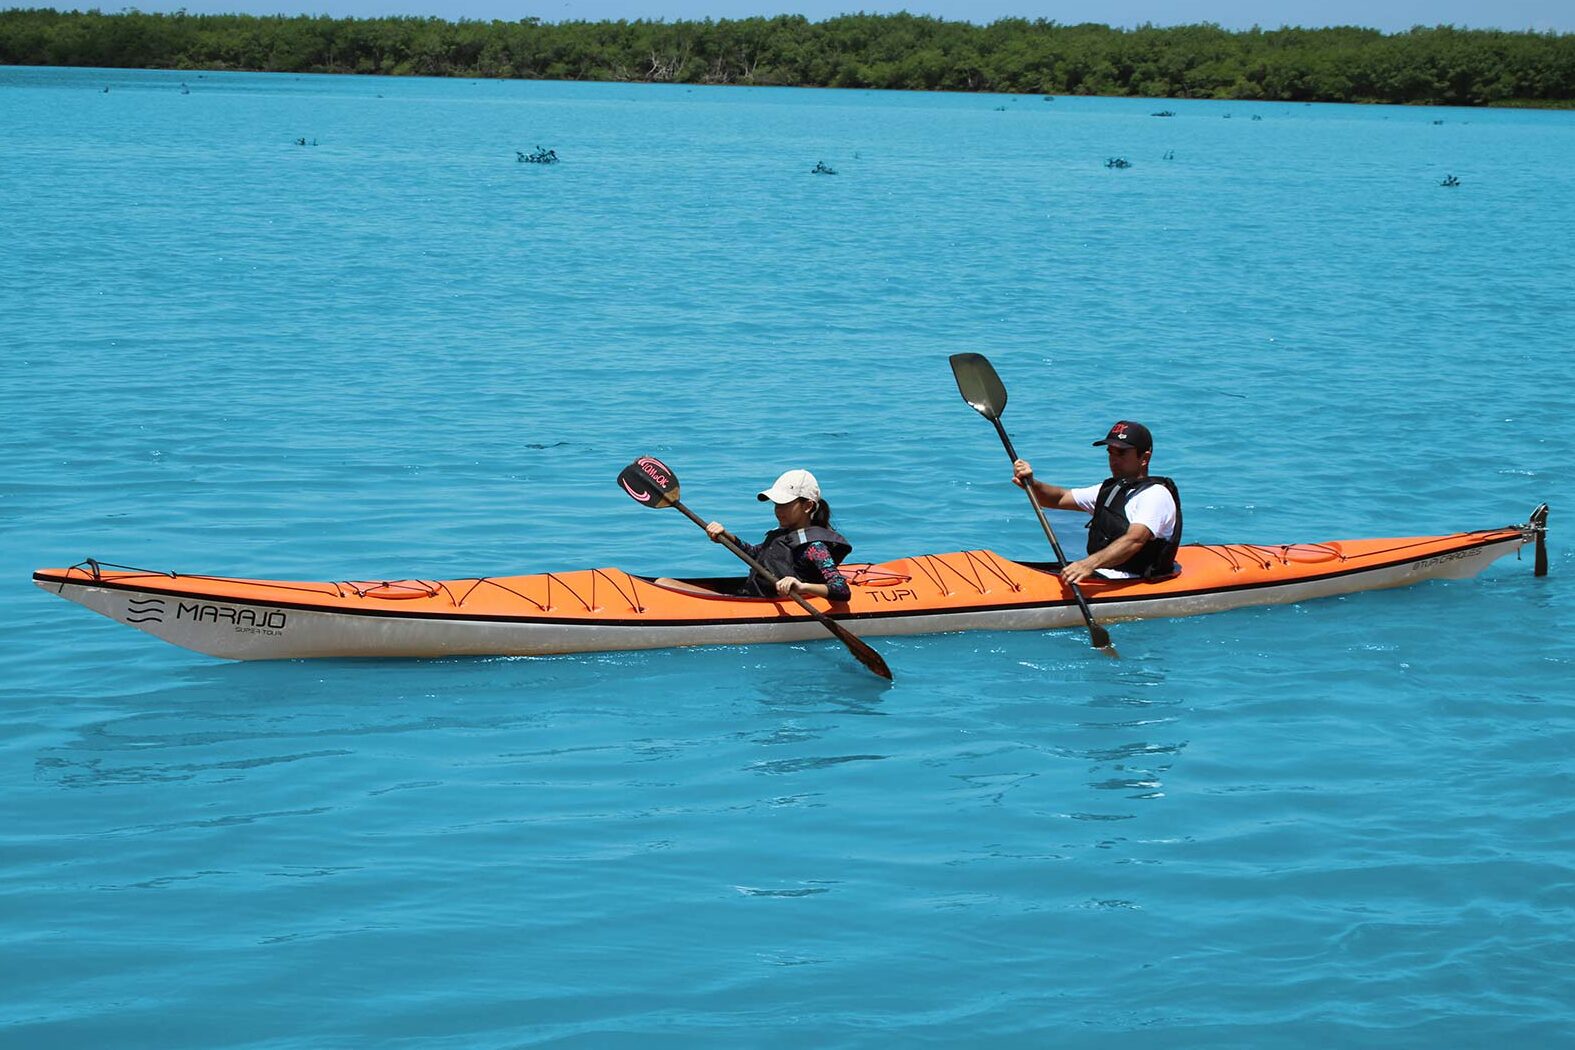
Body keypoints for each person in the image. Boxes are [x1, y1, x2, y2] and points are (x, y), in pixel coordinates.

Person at [1011, 420, 1182, 585]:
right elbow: (1059, 498)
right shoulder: (1111, 490)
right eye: (1110, 453)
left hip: (1134, 578)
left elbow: (1134, 540)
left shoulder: (1155, 495)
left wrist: (1087, 564)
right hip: (1104, 572)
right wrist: (1032, 484)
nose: (1113, 460)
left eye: (1121, 453)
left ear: (1144, 458)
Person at [655, 469, 853, 600]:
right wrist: (727, 537)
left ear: (808, 505)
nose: (778, 510)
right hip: (750, 595)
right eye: (776, 504)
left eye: (785, 504)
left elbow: (841, 589)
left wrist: (801, 587)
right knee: (662, 582)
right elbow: (757, 554)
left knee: (664, 585)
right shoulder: (782, 535)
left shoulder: (815, 547)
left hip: (764, 602)